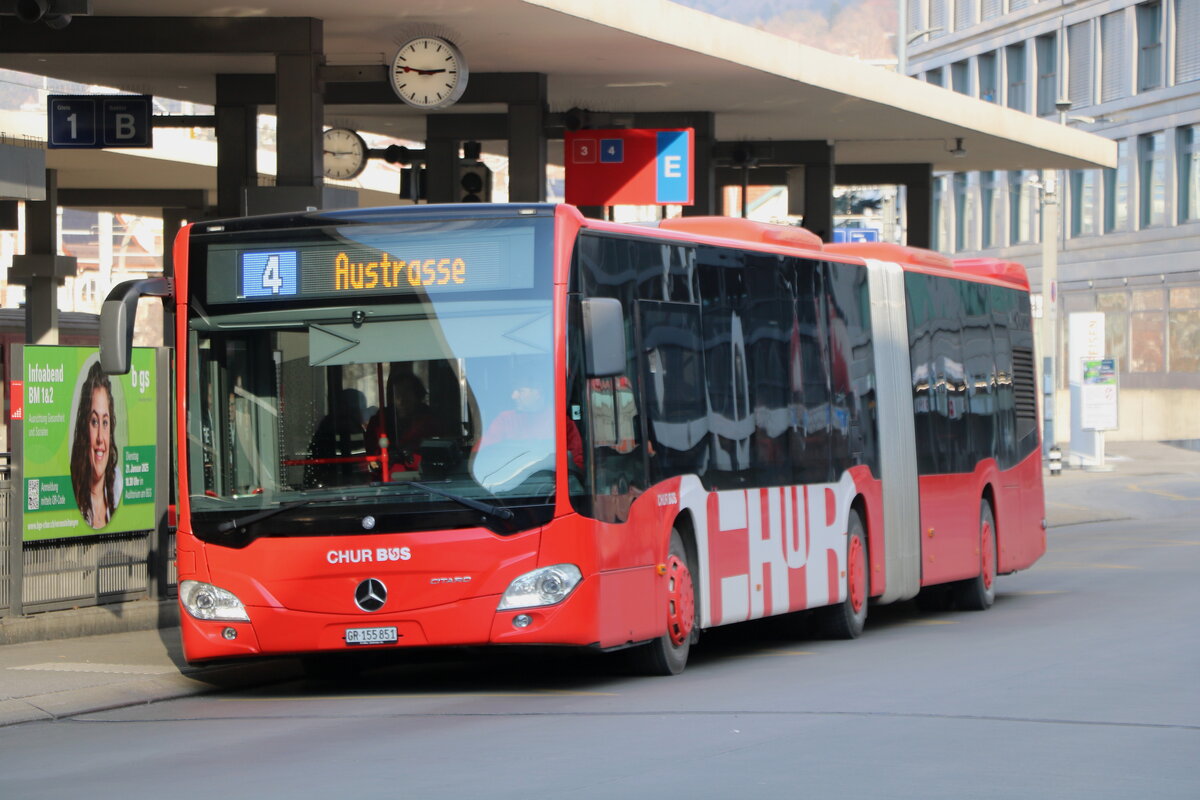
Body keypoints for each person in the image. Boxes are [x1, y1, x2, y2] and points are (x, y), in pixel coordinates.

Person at [478, 376, 583, 470]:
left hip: (549, 481)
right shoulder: (505, 420)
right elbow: (483, 453)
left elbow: (577, 460)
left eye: (520, 391)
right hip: (511, 481)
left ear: (538, 392)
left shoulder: (560, 421)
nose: (513, 396)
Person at [366, 370, 445, 476]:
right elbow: (371, 458)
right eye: (397, 393)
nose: (402, 399)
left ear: (417, 394)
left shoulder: (430, 422)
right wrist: (383, 460)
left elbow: (437, 455)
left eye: (407, 392)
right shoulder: (378, 422)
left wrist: (412, 454)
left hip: (424, 479)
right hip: (387, 481)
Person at [70, 361, 119, 529]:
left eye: (105, 422)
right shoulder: (73, 494)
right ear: (84, 427)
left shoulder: (119, 485)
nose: (100, 438)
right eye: (94, 421)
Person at [307, 387, 368, 487]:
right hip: (338, 486)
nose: (361, 413)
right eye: (357, 409)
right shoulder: (337, 428)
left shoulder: (327, 426)